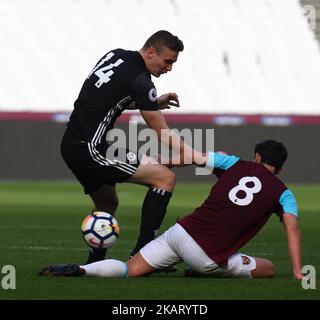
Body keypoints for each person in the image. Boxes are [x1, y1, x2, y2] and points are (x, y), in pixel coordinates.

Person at [40, 140, 303, 280]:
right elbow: (291, 227)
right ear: (279, 168)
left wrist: (163, 163)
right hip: (207, 257)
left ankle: (82, 270)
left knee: (128, 270)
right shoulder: (284, 193)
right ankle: (200, 271)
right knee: (268, 268)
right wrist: (297, 270)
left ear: (257, 157)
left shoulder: (234, 163)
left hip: (179, 233)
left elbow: (194, 157)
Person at [60, 30, 199, 265]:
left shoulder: (115, 56)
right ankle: (142, 256)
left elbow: (110, 95)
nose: (169, 68)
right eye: (168, 61)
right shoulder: (141, 79)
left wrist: (153, 102)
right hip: (92, 149)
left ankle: (95, 264)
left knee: (107, 204)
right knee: (165, 178)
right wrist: (192, 154)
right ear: (151, 52)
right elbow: (161, 130)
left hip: (71, 144)